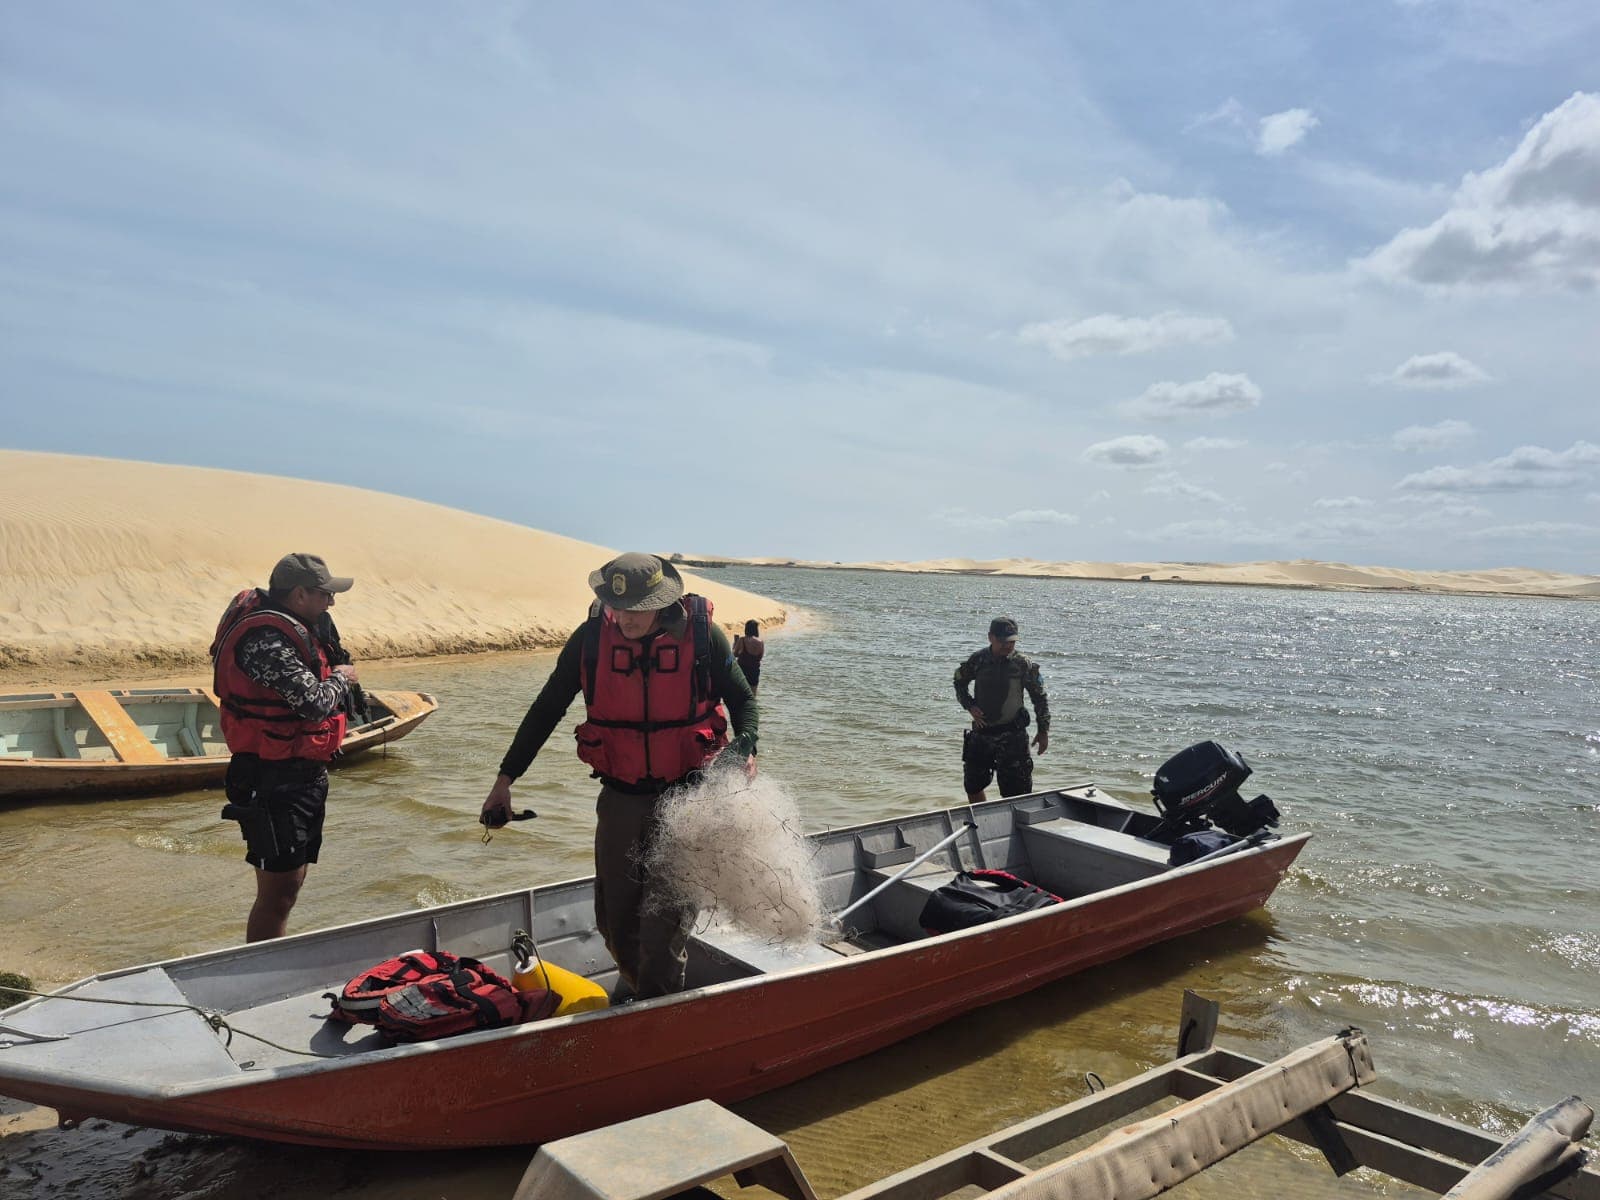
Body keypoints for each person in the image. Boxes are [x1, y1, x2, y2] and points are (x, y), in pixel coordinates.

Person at [481, 552, 759, 1000]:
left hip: (687, 803)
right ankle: (638, 989)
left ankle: (657, 1015)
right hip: (620, 799)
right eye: (615, 606)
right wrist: (505, 780)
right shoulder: (591, 639)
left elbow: (744, 702)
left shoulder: (704, 637)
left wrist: (746, 745)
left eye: (635, 609)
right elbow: (547, 708)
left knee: (663, 930)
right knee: (614, 921)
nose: (623, 618)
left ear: (661, 603)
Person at [211, 553, 360, 942]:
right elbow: (312, 703)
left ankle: (275, 958)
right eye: (325, 594)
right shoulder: (264, 641)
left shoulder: (301, 626)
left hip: (302, 774)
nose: (331, 602)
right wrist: (343, 679)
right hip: (270, 779)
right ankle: (262, 974)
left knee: (290, 885)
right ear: (298, 595)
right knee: (277, 895)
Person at [953, 616, 1049, 803]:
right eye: (1003, 641)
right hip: (982, 733)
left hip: (1013, 735)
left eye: (1012, 642)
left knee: (1017, 794)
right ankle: (982, 821)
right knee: (972, 785)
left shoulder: (1023, 664)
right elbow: (959, 682)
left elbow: (1039, 697)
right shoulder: (978, 660)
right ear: (991, 637)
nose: (1007, 646)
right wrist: (970, 705)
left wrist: (1043, 731)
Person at [732, 619, 765, 693]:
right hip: (754, 671)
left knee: (740, 694)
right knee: (752, 695)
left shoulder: (742, 640)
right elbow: (760, 657)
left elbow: (734, 654)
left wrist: (734, 644)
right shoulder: (760, 642)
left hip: (742, 670)